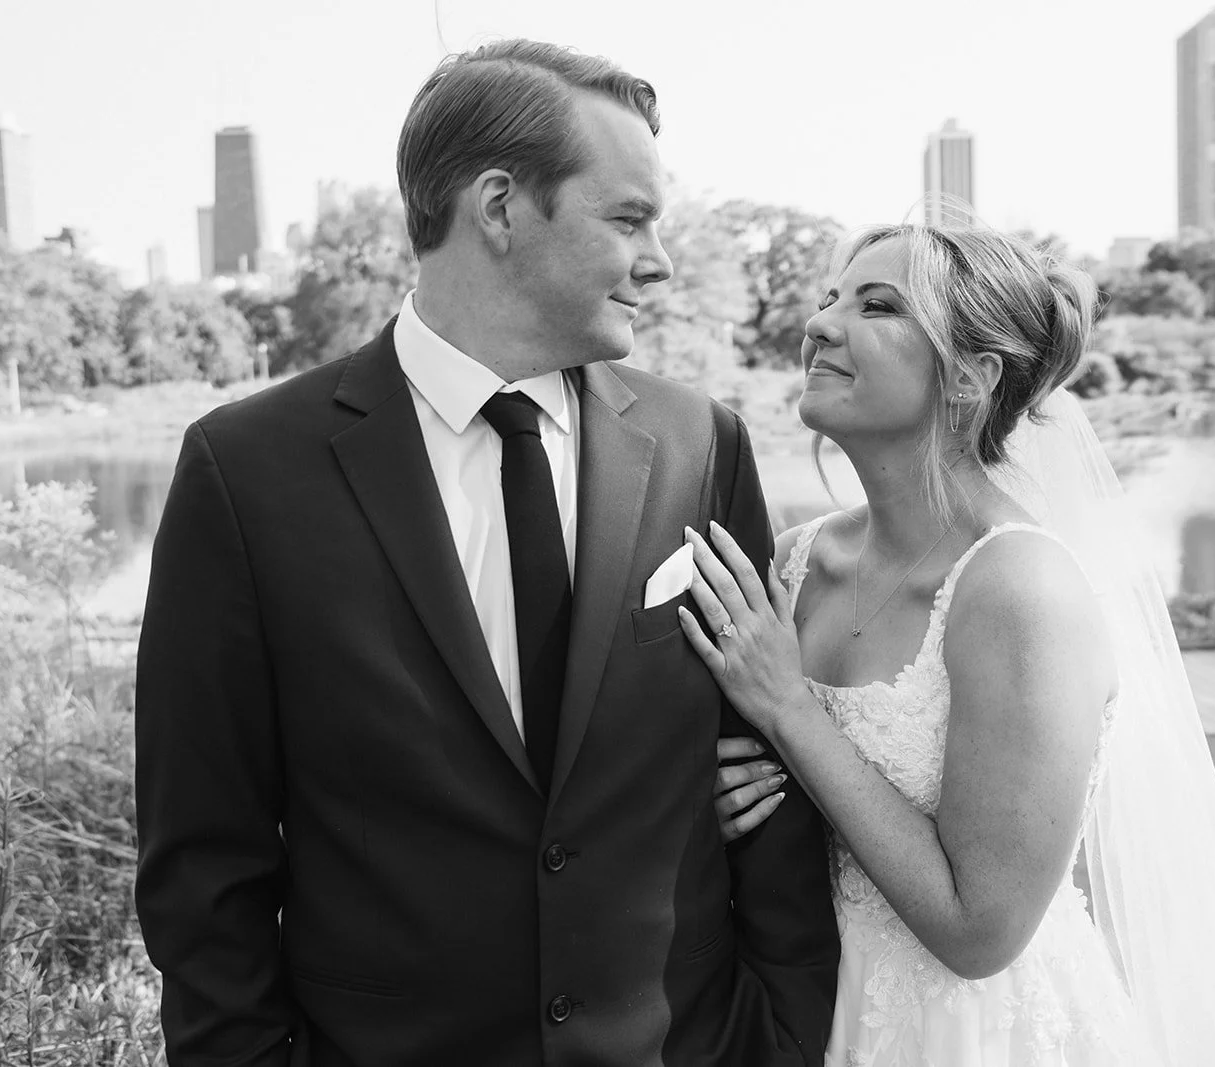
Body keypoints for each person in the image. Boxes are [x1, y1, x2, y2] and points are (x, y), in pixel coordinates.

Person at [134, 39, 838, 1067]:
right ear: (500, 208)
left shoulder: (701, 443)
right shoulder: (245, 471)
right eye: (628, 219)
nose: (661, 262)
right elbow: (204, 862)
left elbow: (761, 766)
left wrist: (779, 1036)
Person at [684, 221, 1215, 1065]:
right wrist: (724, 802)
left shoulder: (1020, 588)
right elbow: (781, 792)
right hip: (806, 1001)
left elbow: (980, 929)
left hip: (973, 1031)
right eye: (827, 298)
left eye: (877, 305)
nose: (818, 323)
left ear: (971, 378)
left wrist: (788, 709)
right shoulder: (800, 558)